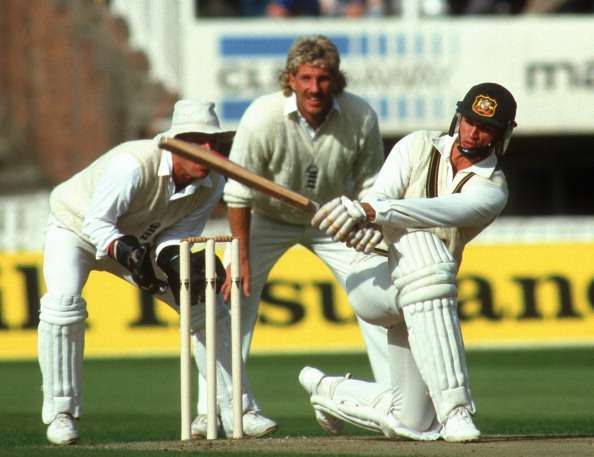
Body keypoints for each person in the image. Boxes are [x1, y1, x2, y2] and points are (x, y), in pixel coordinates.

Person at [191, 34, 391, 437]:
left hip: (334, 218)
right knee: (232, 301)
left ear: (337, 80)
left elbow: (372, 181)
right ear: (290, 79)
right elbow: (238, 192)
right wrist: (241, 255)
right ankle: (211, 409)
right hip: (266, 217)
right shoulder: (262, 116)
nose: (314, 88)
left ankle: (398, 399)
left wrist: (367, 221)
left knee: (379, 295)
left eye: (323, 79)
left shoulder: (360, 116)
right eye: (306, 78)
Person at [299, 82, 518, 442]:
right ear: (458, 117)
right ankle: (456, 410)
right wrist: (365, 223)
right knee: (425, 255)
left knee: (412, 421)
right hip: (373, 278)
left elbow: (439, 211)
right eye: (469, 121)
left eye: (486, 129)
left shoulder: (492, 188)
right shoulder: (417, 144)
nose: (473, 133)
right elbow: (381, 193)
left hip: (425, 297)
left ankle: (328, 391)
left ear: (501, 135)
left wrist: (375, 213)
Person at [37, 99, 262, 445]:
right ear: (173, 142)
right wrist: (127, 252)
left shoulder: (213, 182)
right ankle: (61, 413)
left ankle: (239, 410)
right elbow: (98, 222)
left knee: (206, 306)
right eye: (198, 142)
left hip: (141, 242)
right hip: (76, 228)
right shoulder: (133, 164)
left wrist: (172, 261)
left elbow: (175, 233)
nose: (208, 151)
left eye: (213, 143)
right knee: (63, 306)